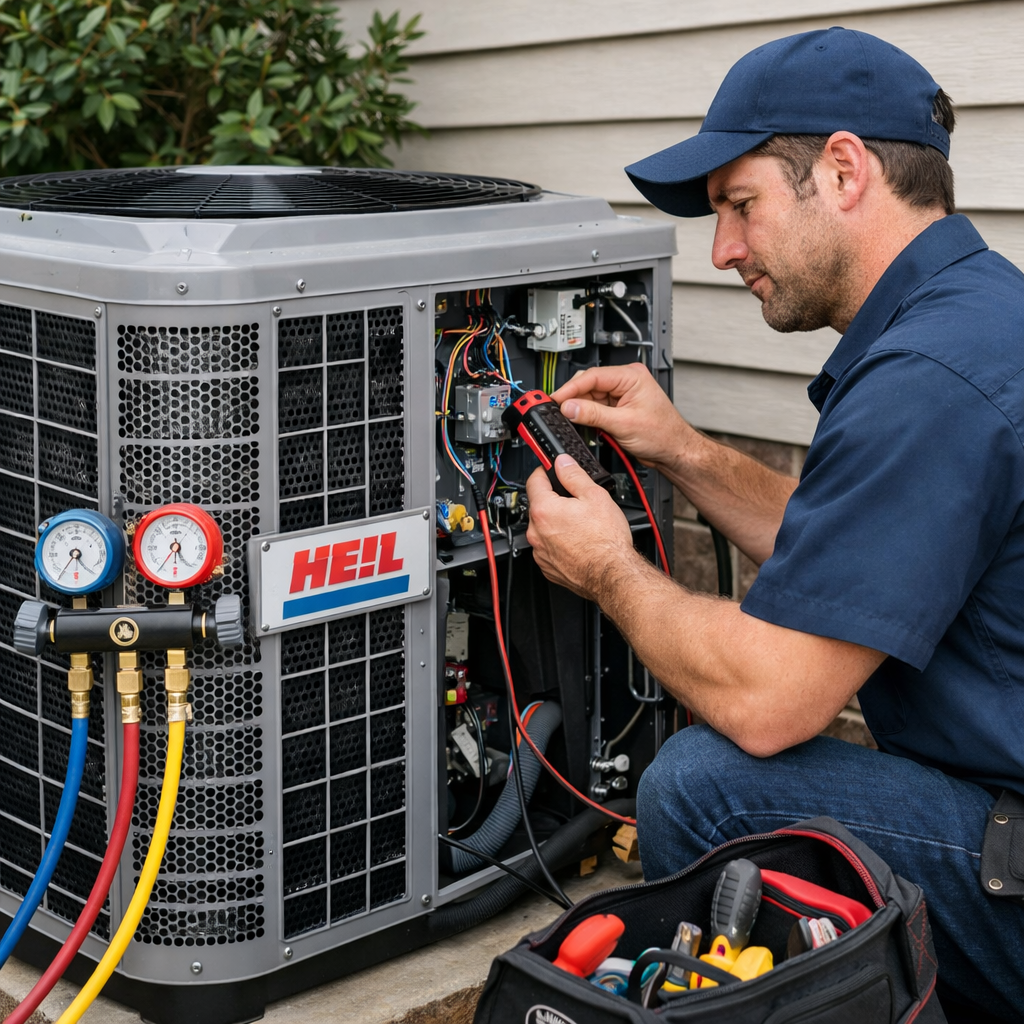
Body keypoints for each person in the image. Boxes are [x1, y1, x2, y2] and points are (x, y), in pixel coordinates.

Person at [523, 27, 1024, 1022]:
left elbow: (768, 700)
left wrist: (608, 568)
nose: (723, 251)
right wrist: (680, 449)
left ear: (842, 171)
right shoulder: (977, 315)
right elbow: (861, 549)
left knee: (705, 783)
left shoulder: (926, 380)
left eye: (738, 205)